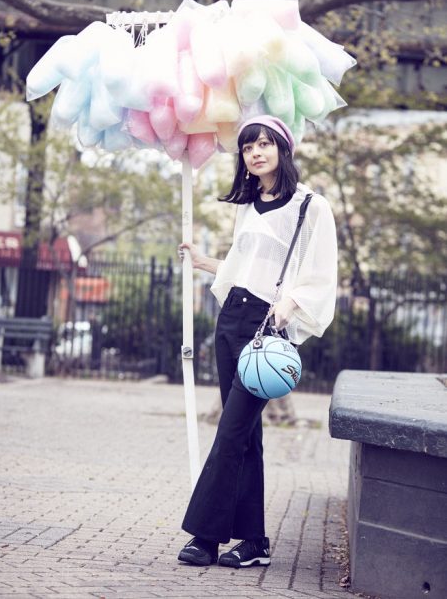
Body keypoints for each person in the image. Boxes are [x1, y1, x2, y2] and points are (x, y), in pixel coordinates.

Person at [177, 114, 338, 569]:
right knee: (246, 437)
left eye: (265, 144)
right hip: (230, 320)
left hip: (266, 327)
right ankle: (254, 541)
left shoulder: (311, 206)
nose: (256, 152)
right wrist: (204, 260)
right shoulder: (248, 206)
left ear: (283, 151)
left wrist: (288, 306)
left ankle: (205, 538)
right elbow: (243, 265)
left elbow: (321, 273)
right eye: (248, 147)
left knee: (230, 433)